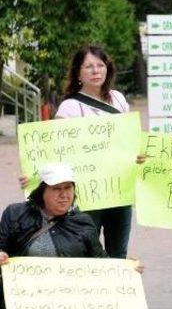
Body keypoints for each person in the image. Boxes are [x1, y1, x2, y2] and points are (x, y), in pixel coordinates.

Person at [0, 163, 142, 309]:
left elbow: (101, 263)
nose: (64, 194)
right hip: (27, 295)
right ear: (42, 191)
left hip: (66, 296)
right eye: (56, 189)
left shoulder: (82, 222)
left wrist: (126, 269)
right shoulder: (15, 213)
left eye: (68, 188)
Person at [42, 45, 134, 259]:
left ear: (107, 69)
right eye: (89, 66)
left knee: (118, 253)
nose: (95, 71)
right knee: (86, 252)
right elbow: (56, 151)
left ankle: (116, 292)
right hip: (87, 194)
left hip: (119, 191)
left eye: (100, 65)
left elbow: (128, 140)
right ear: (78, 73)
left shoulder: (118, 99)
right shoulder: (69, 108)